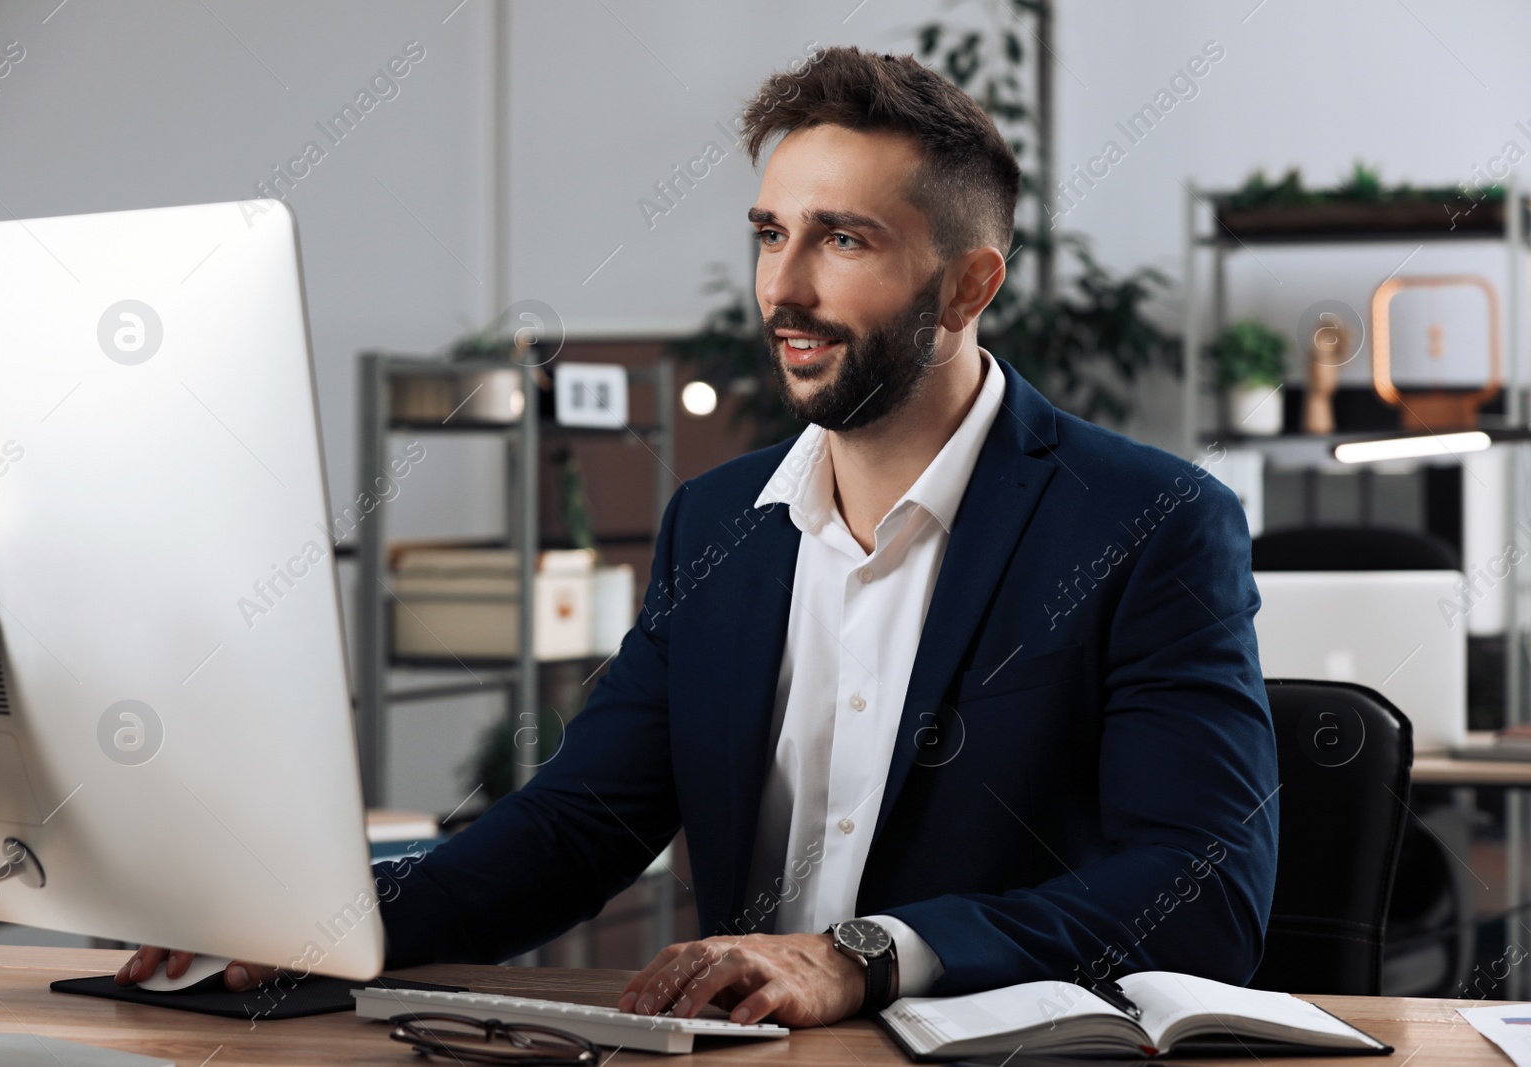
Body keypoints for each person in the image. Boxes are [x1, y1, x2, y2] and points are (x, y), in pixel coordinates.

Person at [120, 45, 1278, 1030]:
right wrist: (305, 914)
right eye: (771, 232)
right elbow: (576, 827)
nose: (783, 287)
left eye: (844, 241)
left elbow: (1203, 889)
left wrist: (861, 953)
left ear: (969, 284)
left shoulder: (1146, 521)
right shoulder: (718, 524)